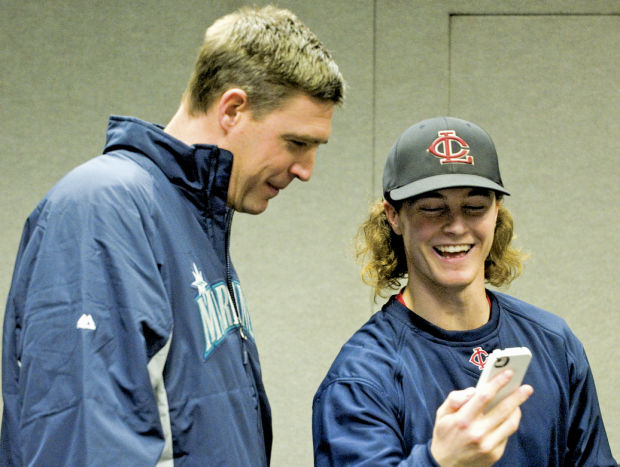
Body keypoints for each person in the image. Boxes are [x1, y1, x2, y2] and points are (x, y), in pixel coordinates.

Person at [1, 5, 344, 465]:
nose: (306, 170)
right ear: (233, 109)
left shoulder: (192, 219)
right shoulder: (104, 209)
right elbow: (84, 443)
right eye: (297, 143)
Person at [312, 117, 615, 466]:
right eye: (431, 208)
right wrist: (440, 461)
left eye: (474, 207)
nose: (456, 226)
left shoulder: (554, 344)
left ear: (497, 211)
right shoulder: (362, 377)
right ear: (393, 215)